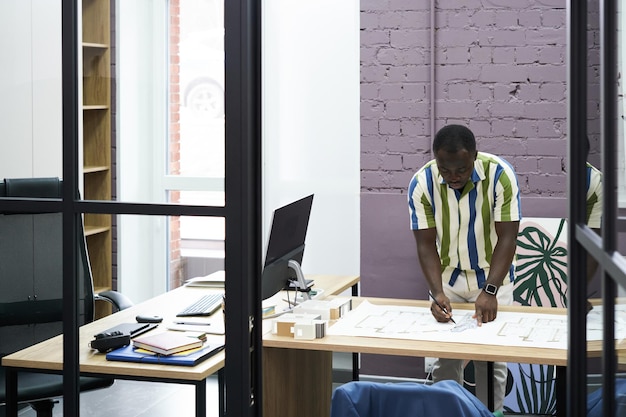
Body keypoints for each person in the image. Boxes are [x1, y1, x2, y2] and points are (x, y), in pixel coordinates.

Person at [407, 124, 522, 412]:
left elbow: (508, 237)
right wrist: (437, 294)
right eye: (445, 169)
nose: (453, 177)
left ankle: (488, 413)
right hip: (448, 277)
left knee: (491, 359)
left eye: (461, 169)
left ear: (474, 156)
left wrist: (490, 290)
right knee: (444, 359)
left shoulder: (500, 175)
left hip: (493, 276)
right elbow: (425, 245)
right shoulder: (422, 183)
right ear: (435, 159)